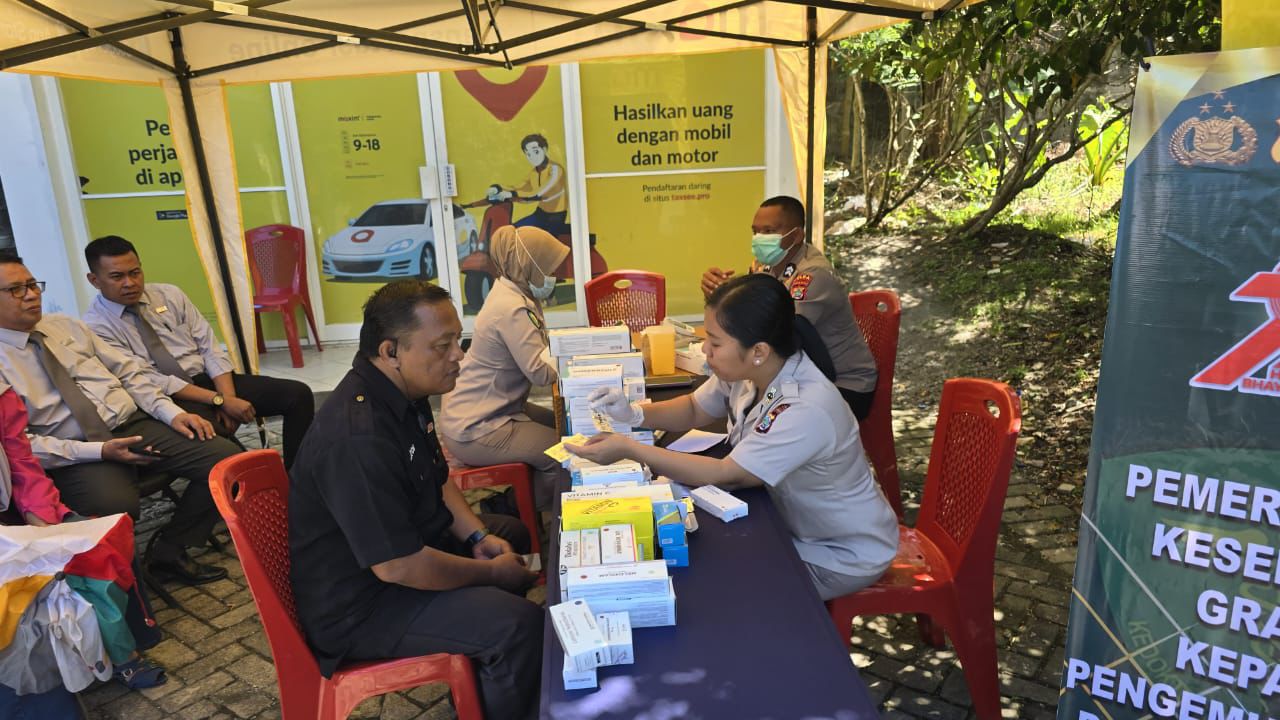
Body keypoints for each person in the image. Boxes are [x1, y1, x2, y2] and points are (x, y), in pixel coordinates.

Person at [289, 280, 542, 719]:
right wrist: (490, 574)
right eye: (442, 346)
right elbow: (398, 566)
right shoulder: (357, 437)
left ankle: (487, 682)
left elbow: (438, 481)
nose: (459, 356)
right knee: (519, 625)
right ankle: (503, 676)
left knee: (510, 533)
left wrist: (478, 537)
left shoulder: (405, 392)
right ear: (391, 352)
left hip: (404, 553)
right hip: (365, 605)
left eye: (458, 341)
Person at [569, 273, 899, 601]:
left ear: (758, 350)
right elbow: (694, 408)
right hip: (789, 524)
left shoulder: (805, 406)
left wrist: (631, 449)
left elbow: (729, 474)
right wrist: (634, 414)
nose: (704, 349)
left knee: (724, 589)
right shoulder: (752, 369)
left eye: (715, 343)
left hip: (839, 552)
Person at [0, 251, 235, 586]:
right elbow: (19, 446)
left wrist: (173, 413)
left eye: (33, 285)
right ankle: (124, 594)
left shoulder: (64, 326)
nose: (31, 295)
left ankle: (170, 551)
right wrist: (100, 451)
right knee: (115, 508)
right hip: (77, 450)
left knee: (228, 463)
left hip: (131, 423)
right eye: (16, 290)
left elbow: (130, 373)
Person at [81, 236, 314, 469]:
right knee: (230, 452)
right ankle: (246, 474)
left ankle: (298, 475)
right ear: (94, 280)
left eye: (135, 273)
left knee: (298, 395)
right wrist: (220, 401)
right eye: (117, 277)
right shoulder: (95, 326)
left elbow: (209, 347)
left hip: (209, 380)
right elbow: (148, 379)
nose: (130, 283)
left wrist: (227, 397)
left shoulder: (169, 295)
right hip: (170, 397)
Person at [0, 383, 167, 692]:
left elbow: (21, 461)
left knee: (97, 549)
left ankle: (125, 652)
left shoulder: (2, 396)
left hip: (20, 507)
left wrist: (41, 517)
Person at [700, 195, 878, 420]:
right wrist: (719, 295)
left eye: (769, 231)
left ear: (796, 235)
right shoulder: (766, 266)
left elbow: (773, 334)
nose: (759, 238)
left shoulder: (813, 274)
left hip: (843, 385)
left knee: (761, 414)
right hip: (794, 373)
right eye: (756, 231)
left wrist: (728, 304)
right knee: (737, 398)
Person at [439, 225, 569, 511]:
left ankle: (529, 497)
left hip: (489, 408)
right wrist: (575, 355)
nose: (555, 275)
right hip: (476, 426)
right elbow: (541, 371)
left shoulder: (513, 292)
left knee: (566, 426)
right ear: (529, 265)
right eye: (549, 267)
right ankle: (510, 507)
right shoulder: (511, 308)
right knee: (563, 454)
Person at [495, 133, 570, 238]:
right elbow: (519, 187)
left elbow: (538, 194)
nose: (533, 158)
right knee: (511, 232)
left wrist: (512, 194)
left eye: (536, 152)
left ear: (544, 149)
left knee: (539, 243)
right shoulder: (533, 173)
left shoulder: (556, 169)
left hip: (556, 218)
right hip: (540, 214)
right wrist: (498, 188)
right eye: (528, 154)